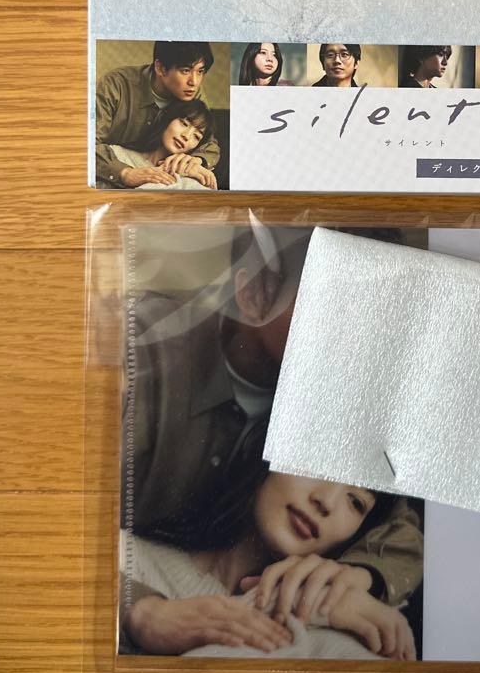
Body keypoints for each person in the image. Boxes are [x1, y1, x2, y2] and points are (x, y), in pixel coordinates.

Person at [122, 222, 422, 631]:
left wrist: (357, 578)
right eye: (337, 311)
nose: (358, 345)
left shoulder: (332, 396)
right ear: (255, 292)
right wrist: (142, 612)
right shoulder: (139, 357)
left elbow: (401, 524)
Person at [122, 470, 416, 660]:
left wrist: (314, 602)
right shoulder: (125, 556)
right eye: (315, 462)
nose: (326, 501)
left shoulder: (340, 635)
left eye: (356, 502)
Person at [96, 41, 220, 187]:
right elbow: (85, 143)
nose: (195, 82)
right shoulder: (116, 85)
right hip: (111, 167)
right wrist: (125, 173)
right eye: (185, 70)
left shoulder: (191, 92)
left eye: (200, 71)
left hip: (160, 171)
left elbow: (209, 144)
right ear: (160, 68)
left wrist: (196, 160)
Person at [101, 100, 217, 190]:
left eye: (196, 136)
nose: (186, 136)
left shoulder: (191, 174)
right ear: (168, 119)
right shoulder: (116, 154)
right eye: (184, 123)